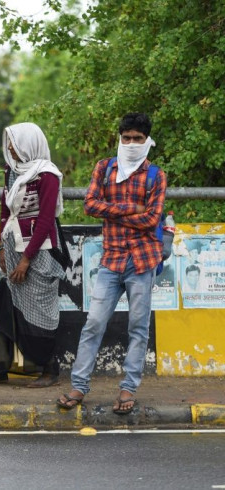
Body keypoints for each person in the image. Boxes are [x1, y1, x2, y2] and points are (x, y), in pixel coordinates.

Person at [57, 113, 166, 415]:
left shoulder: (156, 175)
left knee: (138, 327)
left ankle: (128, 388)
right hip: (111, 260)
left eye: (137, 138)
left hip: (142, 261)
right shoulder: (104, 168)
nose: (131, 143)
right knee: (94, 323)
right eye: (126, 137)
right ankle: (79, 385)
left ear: (147, 141)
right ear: (119, 137)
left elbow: (152, 219)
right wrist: (131, 208)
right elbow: (90, 205)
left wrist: (113, 212)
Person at [0, 122, 65, 389]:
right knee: (6, 305)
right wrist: (1, 247)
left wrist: (26, 260)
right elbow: (5, 212)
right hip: (13, 247)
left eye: (13, 141)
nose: (10, 147)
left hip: (41, 251)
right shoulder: (11, 171)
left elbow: (46, 219)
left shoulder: (47, 175)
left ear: (28, 143)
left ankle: (49, 371)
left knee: (41, 312)